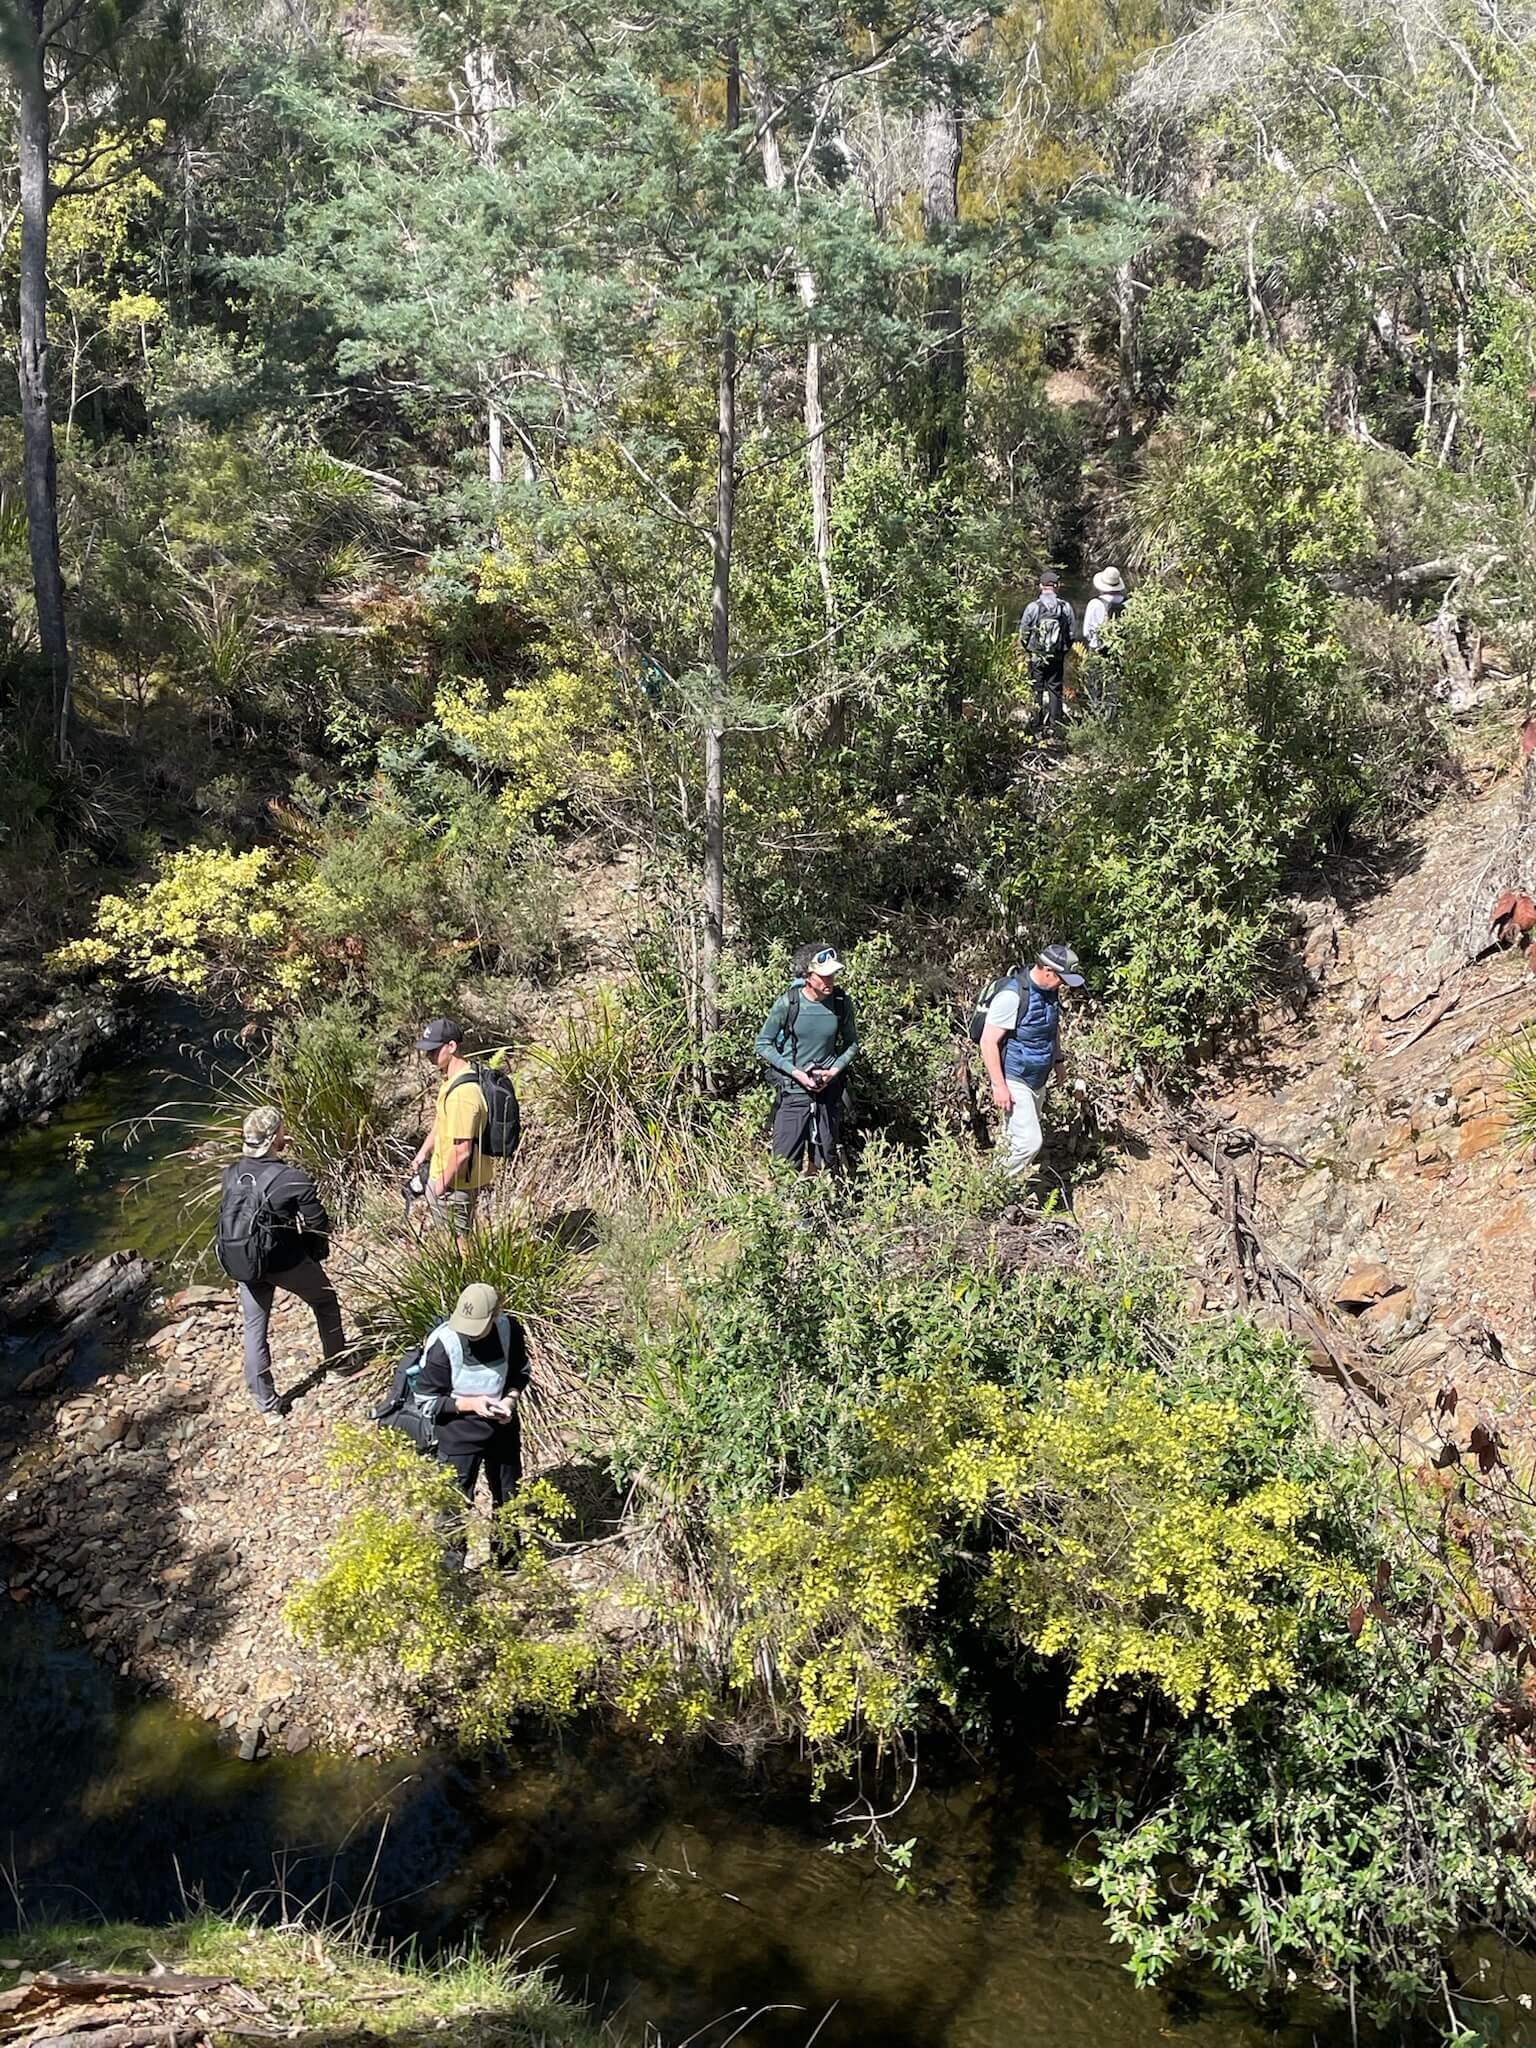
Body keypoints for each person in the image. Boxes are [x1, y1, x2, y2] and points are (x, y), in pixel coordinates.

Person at [220, 1107, 347, 1424]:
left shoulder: (231, 1173)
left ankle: (267, 1406)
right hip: (285, 1260)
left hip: (245, 1263)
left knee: (254, 1328)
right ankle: (338, 1367)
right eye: (281, 1131)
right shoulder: (291, 1178)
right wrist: (313, 1248)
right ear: (276, 1137)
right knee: (325, 1300)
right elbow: (318, 1222)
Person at [417, 1282, 529, 1568]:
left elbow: (519, 1373)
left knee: (509, 1496)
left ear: (495, 1315)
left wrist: (509, 1401)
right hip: (457, 1436)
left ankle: (507, 1564)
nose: (469, 1331)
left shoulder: (510, 1330)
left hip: (501, 1429)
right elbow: (427, 1400)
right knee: (453, 1504)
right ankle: (451, 1572)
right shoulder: (444, 1345)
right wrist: (471, 1404)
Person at [977, 943, 1084, 1181]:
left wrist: (1058, 1061)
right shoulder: (1012, 996)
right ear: (1047, 971)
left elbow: (1050, 1028)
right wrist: (999, 1086)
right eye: (1062, 979)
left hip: (1038, 1077)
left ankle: (1001, 1193)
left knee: (1011, 1139)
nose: (1064, 985)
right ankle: (988, 1188)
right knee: (1029, 1142)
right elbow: (988, 1042)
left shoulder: (1050, 991)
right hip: (1015, 1078)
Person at [754, 947, 859, 1175]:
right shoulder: (788, 1003)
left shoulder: (841, 1002)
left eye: (832, 975)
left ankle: (815, 1209)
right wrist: (797, 1073)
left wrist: (834, 1070)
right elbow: (763, 1044)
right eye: (823, 976)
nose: (829, 980)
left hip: (828, 1092)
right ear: (808, 977)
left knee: (824, 1165)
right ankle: (783, 1209)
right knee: (782, 1166)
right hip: (793, 1092)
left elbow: (852, 1043)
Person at [407, 1018, 495, 1242]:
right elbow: (442, 1120)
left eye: (434, 1051)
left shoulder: (463, 1094)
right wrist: (424, 1152)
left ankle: (471, 1276)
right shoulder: (452, 1081)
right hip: (448, 1179)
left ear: (452, 1046)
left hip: (456, 1184)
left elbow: (462, 1151)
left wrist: (439, 1187)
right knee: (455, 1240)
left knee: (459, 1243)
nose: (429, 1057)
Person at [1018, 568, 1078, 734]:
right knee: (1055, 688)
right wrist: (1063, 651)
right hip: (1057, 654)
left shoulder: (1033, 607)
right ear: (1056, 586)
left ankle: (1036, 725)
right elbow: (1072, 634)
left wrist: (1029, 650)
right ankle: (1055, 725)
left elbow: (1023, 634)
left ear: (1040, 586)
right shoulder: (1065, 607)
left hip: (1037, 655)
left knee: (1037, 688)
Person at [1082, 565, 1127, 652]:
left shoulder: (1094, 603)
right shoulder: (1128, 603)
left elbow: (1086, 632)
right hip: (1120, 649)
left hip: (1097, 648)